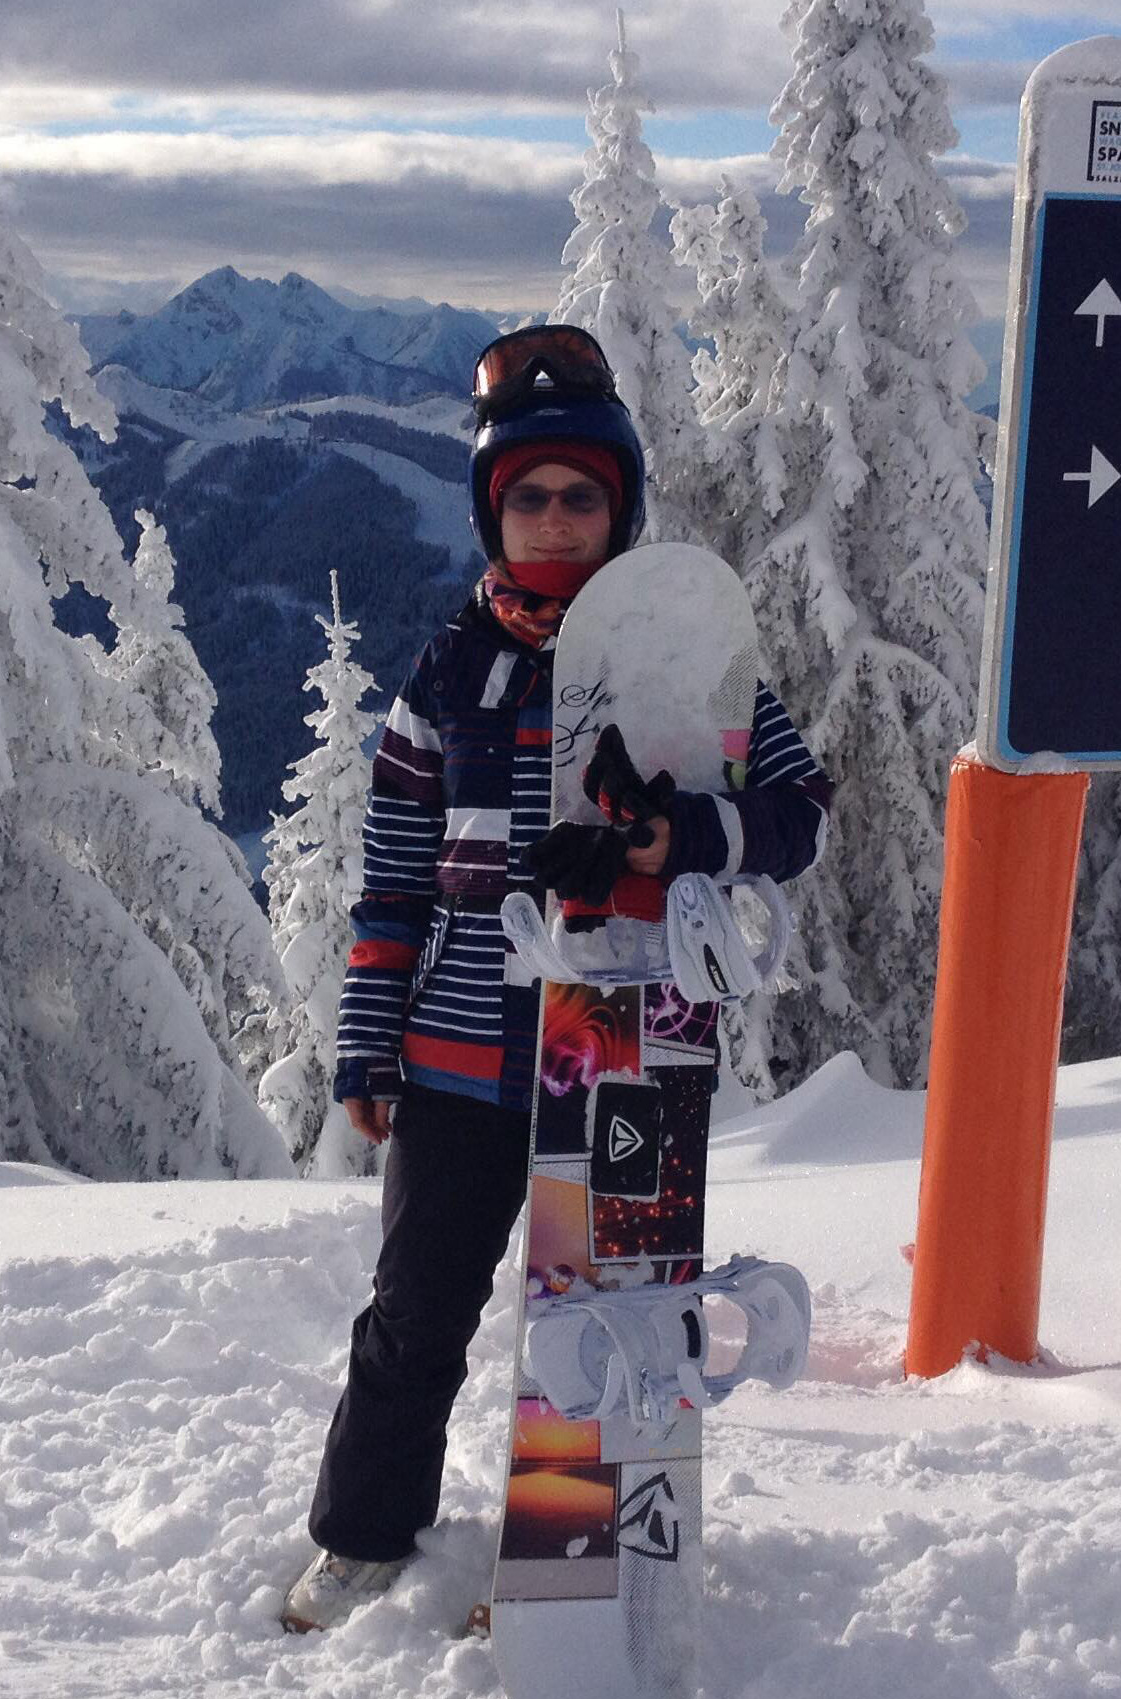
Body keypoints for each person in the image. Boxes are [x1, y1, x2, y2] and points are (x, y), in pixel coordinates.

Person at [281, 324, 835, 1633]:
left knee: (607, 1310)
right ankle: (365, 1535)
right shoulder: (448, 672)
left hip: (628, 1037)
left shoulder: (683, 660)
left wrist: (682, 837)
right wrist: (369, 1047)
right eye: (525, 496)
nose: (552, 520)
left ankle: (572, 1543)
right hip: (464, 1058)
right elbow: (397, 877)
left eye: (580, 496)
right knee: (416, 1311)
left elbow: (801, 811)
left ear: (618, 505)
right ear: (491, 508)